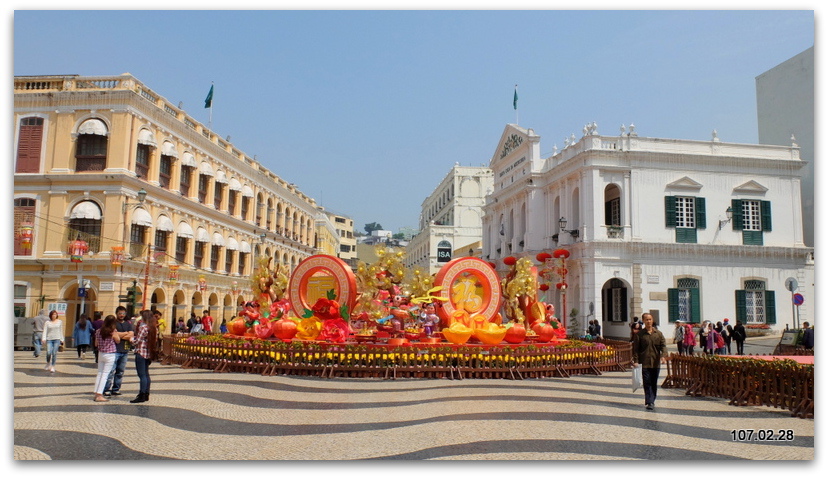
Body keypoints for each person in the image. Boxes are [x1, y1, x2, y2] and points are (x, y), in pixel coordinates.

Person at [632, 313, 667, 410]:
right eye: (646, 319)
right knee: (647, 382)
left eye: (650, 319)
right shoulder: (640, 335)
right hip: (645, 362)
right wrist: (636, 361)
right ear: (643, 321)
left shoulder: (658, 334)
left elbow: (663, 346)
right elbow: (636, 350)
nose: (648, 321)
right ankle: (649, 401)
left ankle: (653, 399)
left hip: (655, 362)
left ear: (652, 320)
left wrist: (663, 356)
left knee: (653, 382)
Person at [103, 306, 134, 397]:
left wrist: (120, 335)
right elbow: (113, 333)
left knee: (120, 371)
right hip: (114, 350)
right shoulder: (113, 323)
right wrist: (125, 334)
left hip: (124, 350)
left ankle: (116, 389)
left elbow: (131, 335)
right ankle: (106, 389)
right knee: (111, 371)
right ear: (116, 313)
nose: (122, 315)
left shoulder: (128, 324)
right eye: (120, 313)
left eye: (123, 313)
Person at [129, 310, 159, 403]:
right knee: (146, 374)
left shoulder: (144, 327)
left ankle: (142, 394)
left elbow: (138, 340)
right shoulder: (153, 328)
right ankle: (146, 393)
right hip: (148, 353)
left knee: (142, 375)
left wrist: (131, 340)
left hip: (141, 352)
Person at [93, 315, 121, 402]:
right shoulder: (113, 331)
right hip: (110, 354)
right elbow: (118, 340)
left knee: (100, 373)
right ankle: (99, 394)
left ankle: (96, 392)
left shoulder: (98, 331)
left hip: (101, 354)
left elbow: (96, 344)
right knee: (105, 374)